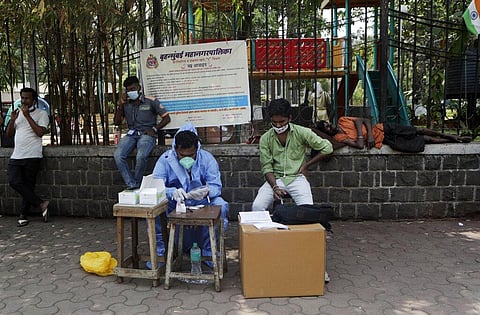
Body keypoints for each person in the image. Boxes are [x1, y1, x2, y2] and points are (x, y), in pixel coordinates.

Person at [151, 123, 229, 268]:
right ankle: (161, 252)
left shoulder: (207, 158)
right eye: (182, 155)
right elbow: (156, 185)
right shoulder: (165, 159)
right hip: (176, 204)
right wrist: (171, 192)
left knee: (222, 206)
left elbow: (216, 186)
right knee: (156, 209)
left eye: (191, 155)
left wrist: (205, 191)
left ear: (197, 149)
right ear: (176, 150)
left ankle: (209, 250)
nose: (187, 159)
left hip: (202, 203)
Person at [251, 98, 334, 212]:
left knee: (308, 210)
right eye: (274, 122)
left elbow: (327, 148)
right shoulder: (265, 138)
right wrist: (275, 187)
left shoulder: (302, 132)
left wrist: (306, 166)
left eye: (282, 122)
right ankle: (267, 229)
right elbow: (267, 167)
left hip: (297, 178)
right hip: (275, 179)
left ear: (289, 118)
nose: (278, 126)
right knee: (257, 206)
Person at [114, 76, 171, 190]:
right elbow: (116, 122)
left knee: (141, 156)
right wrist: (121, 104)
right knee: (118, 156)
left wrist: (154, 129)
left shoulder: (150, 101)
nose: (131, 92)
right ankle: (132, 184)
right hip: (131, 134)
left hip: (146, 134)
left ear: (139, 88)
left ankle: (136, 184)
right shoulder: (126, 104)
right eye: (128, 90)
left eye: (133, 88)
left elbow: (166, 118)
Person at [6, 87, 50, 227]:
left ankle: (23, 216)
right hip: (17, 155)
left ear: (34, 100)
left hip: (32, 155)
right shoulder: (18, 114)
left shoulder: (41, 114)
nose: (24, 101)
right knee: (14, 181)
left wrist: (27, 116)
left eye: (27, 98)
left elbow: (40, 132)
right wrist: (12, 120)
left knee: (28, 186)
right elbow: (8, 134)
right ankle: (41, 203)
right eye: (23, 98)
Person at [317, 116, 472, 152]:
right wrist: (363, 136)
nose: (330, 126)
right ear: (327, 133)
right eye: (327, 128)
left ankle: (452, 136)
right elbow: (358, 145)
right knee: (422, 141)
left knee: (417, 130)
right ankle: (451, 141)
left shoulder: (343, 120)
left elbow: (363, 120)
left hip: (384, 128)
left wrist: (368, 135)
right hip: (384, 140)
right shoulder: (339, 137)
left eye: (328, 123)